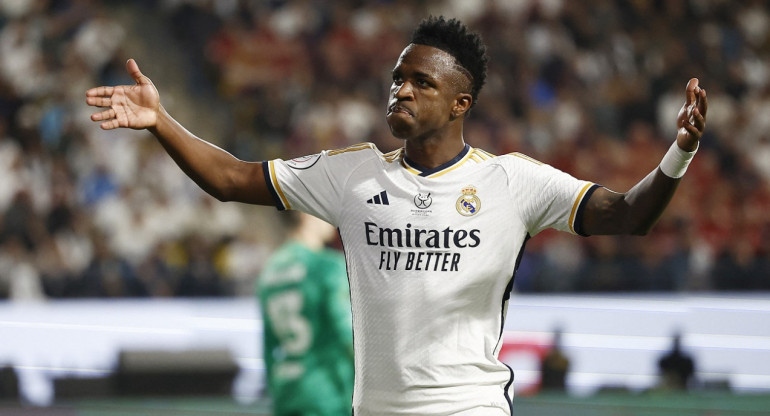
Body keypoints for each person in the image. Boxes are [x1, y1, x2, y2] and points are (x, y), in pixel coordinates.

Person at [86, 15, 707, 416]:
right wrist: (161, 122)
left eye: (420, 83)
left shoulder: (513, 181)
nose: (401, 91)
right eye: (396, 79)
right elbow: (231, 180)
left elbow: (629, 215)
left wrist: (679, 151)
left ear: (461, 101)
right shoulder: (352, 174)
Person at [257, 210, 353, 416]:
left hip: (287, 391)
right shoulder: (327, 267)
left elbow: (268, 345)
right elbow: (347, 333)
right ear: (305, 213)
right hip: (328, 393)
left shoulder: (270, 270)